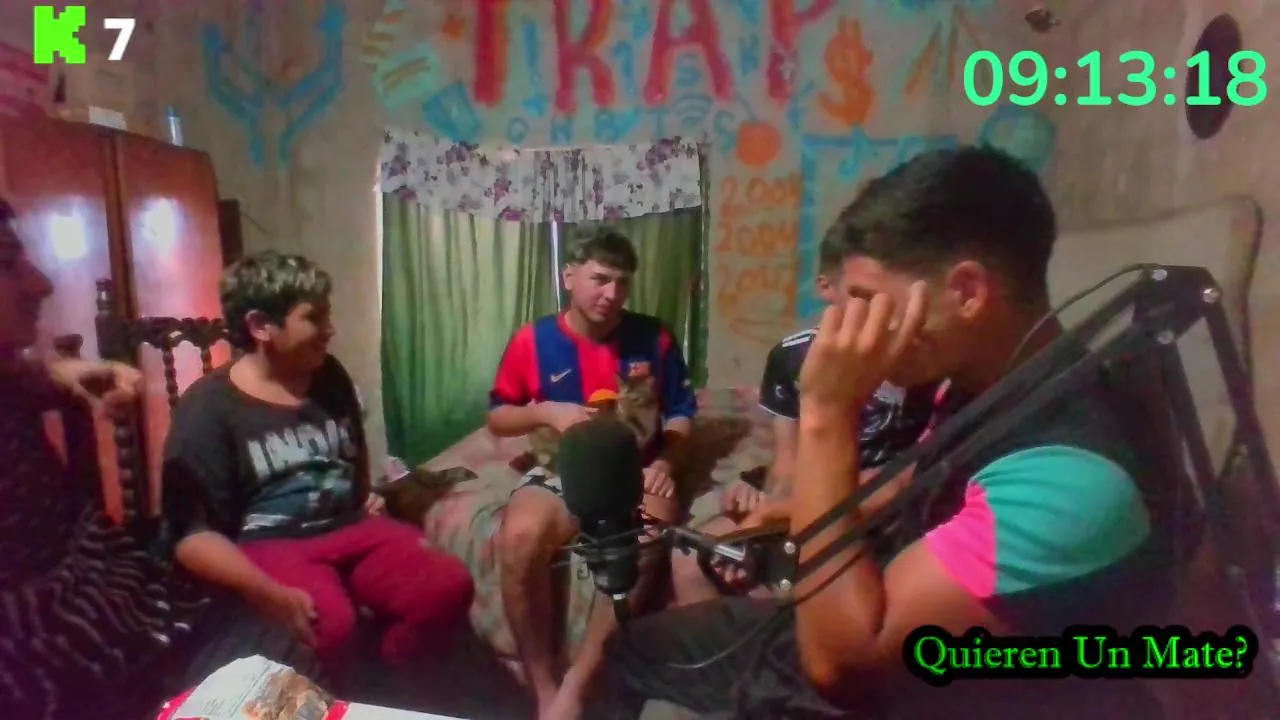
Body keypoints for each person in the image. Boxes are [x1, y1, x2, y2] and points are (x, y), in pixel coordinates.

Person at [599, 146, 1176, 718]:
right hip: (890, 605)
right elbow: (911, 480)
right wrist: (783, 512)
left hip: (914, 681)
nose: (843, 328)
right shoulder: (986, 382)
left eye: (867, 303)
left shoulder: (1069, 480)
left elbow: (843, 668)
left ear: (967, 293)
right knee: (637, 646)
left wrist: (826, 414)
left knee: (640, 655)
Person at [162, 251, 475, 688]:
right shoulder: (208, 408)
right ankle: (339, 699)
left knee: (447, 584)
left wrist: (365, 494)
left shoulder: (328, 374)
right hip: (271, 544)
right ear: (260, 325)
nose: (330, 329)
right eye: (314, 317)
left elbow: (353, 452)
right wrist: (264, 590)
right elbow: (190, 536)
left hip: (349, 526)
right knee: (330, 626)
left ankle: (388, 688)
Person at [488, 227, 696, 720]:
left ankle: (577, 687)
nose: (612, 294)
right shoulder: (532, 341)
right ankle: (543, 688)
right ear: (569, 276)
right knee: (518, 538)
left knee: (648, 536)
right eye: (600, 279)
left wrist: (667, 460)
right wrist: (546, 411)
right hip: (562, 469)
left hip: (637, 469)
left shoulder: (655, 337)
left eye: (622, 283)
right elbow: (497, 416)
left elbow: (683, 412)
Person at [671, 248, 936, 607]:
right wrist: (767, 515)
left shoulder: (927, 363)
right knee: (691, 557)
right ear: (827, 288)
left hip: (881, 511)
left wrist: (780, 515)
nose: (880, 313)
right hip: (811, 495)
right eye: (862, 296)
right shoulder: (794, 357)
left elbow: (901, 478)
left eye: (892, 298)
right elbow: (788, 462)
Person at [0, 198, 174, 720]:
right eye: (6, 263)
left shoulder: (11, 377)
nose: (41, 284)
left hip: (95, 589)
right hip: (44, 646)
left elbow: (27, 374)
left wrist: (67, 370)